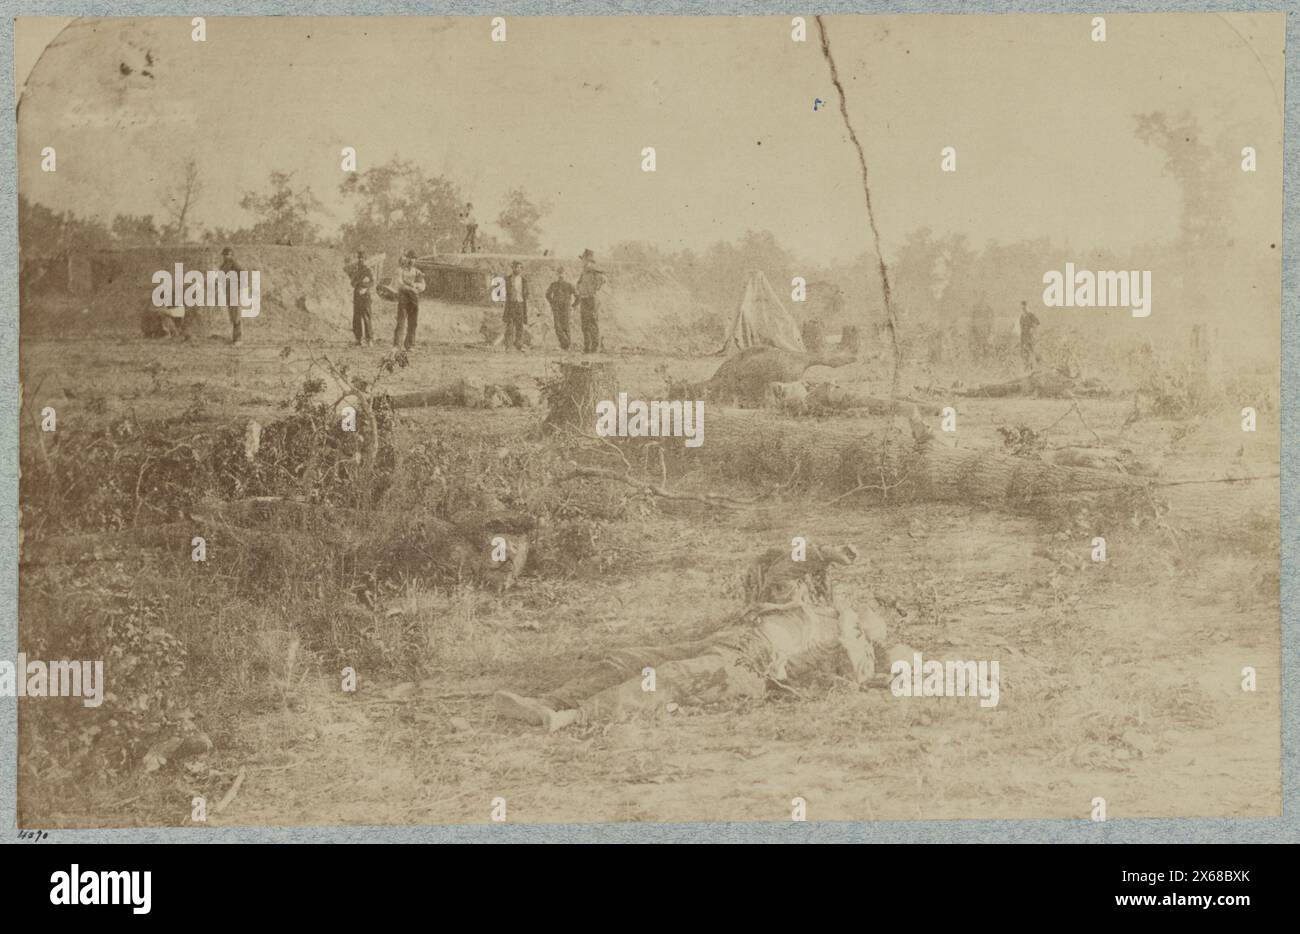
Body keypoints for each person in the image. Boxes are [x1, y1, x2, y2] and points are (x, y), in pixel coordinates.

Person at [493, 542, 897, 732]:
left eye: (870, 624)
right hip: (729, 641)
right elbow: (785, 570)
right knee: (629, 658)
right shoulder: (797, 605)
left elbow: (859, 669)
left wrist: (854, 630)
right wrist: (824, 552)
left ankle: (571, 717)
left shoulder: (851, 646)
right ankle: (545, 702)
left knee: (672, 678)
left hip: (749, 667)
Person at [575, 248, 606, 354]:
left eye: (584, 259)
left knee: (592, 322)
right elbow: (578, 283)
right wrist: (580, 289)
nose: (583, 261)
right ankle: (587, 347)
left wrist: (595, 288)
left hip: (591, 299)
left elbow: (603, 279)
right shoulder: (584, 271)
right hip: (584, 298)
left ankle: (595, 347)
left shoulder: (593, 270)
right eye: (583, 259)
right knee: (585, 324)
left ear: (588, 259)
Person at [393, 250, 426, 351]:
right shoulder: (400, 270)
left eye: (413, 258)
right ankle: (397, 345)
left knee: (413, 322)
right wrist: (410, 287)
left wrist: (415, 285)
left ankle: (410, 345)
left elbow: (423, 286)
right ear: (406, 258)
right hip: (404, 298)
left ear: (415, 260)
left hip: (414, 299)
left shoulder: (417, 272)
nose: (411, 260)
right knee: (401, 322)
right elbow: (399, 284)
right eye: (409, 258)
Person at [544, 265, 576, 351]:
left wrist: (573, 306)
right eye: (559, 273)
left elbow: (578, 296)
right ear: (557, 274)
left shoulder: (569, 285)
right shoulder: (553, 284)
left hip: (566, 308)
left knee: (565, 326)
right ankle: (565, 344)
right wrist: (552, 303)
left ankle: (566, 346)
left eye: (563, 273)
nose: (561, 275)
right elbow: (547, 294)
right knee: (557, 326)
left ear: (565, 274)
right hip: (556, 308)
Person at [347, 250, 374, 346]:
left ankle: (369, 339)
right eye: (359, 258)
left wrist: (365, 287)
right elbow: (352, 283)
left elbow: (372, 282)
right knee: (356, 317)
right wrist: (357, 283)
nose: (361, 260)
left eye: (362, 258)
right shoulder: (356, 270)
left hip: (365, 295)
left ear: (365, 259)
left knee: (366, 317)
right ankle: (358, 339)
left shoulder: (368, 270)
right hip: (357, 295)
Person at [502, 260, 529, 351]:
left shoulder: (524, 280)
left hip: (520, 305)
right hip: (511, 305)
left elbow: (526, 293)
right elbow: (503, 292)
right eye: (515, 267)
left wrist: (523, 297)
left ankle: (519, 345)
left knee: (520, 326)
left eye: (519, 267)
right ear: (512, 268)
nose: (517, 269)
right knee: (510, 325)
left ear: (521, 269)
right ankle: (508, 346)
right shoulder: (507, 279)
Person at [220, 247, 243, 345]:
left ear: (231, 255)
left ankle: (238, 339)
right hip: (228, 292)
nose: (226, 256)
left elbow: (242, 274)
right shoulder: (223, 266)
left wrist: (237, 285)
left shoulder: (234, 264)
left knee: (236, 315)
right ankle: (235, 338)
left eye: (228, 254)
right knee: (232, 315)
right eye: (225, 255)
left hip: (233, 291)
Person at [1018, 300, 1041, 371]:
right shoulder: (1021, 316)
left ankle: (1035, 366)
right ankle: (1026, 367)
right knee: (1024, 352)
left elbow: (1037, 322)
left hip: (1029, 335)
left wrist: (1032, 328)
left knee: (1031, 350)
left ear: (1027, 307)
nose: (1023, 308)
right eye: (1022, 307)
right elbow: (1021, 327)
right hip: (1023, 336)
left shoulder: (1031, 315)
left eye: (1024, 307)